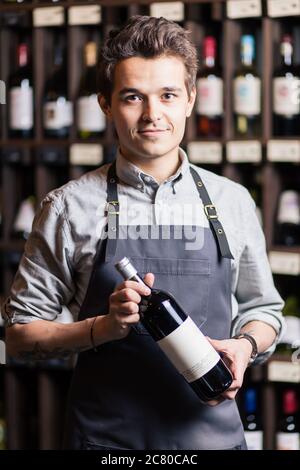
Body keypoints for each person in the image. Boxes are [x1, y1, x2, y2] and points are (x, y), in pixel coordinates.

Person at [3, 16, 284, 450]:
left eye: (168, 95)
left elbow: (264, 309)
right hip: (106, 442)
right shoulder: (67, 206)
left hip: (212, 441)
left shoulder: (233, 201)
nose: (153, 115)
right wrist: (103, 326)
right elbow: (20, 333)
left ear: (190, 100)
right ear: (105, 104)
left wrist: (245, 346)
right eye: (133, 97)